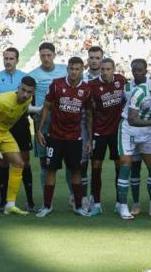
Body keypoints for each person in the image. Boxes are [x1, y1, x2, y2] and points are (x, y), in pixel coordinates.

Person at [35, 57, 93, 218]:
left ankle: (79, 206)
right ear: (67, 69)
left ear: (82, 70)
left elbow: (89, 115)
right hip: (55, 136)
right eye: (71, 68)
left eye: (77, 69)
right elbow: (46, 107)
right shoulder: (56, 84)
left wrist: (88, 138)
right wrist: (39, 130)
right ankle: (47, 206)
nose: (74, 72)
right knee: (50, 170)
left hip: (75, 137)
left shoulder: (86, 90)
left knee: (76, 171)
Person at [116, 62, 151, 220]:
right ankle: (123, 206)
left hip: (146, 132)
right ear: (150, 76)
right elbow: (132, 119)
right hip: (128, 130)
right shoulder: (140, 91)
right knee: (126, 167)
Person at [0, 77, 37, 219]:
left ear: (33, 93)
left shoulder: (27, 100)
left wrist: (37, 109)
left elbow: (24, 109)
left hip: (3, 131)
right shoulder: (1, 100)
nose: (25, 94)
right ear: (18, 87)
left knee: (19, 163)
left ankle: (10, 206)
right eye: (23, 90)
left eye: (29, 92)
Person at [0, 47, 34, 212]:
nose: (8, 61)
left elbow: (29, 100)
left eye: (11, 58)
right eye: (5, 58)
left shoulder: (25, 78)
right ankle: (3, 202)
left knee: (25, 161)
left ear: (17, 60)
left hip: (20, 123)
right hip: (2, 125)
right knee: (4, 162)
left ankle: (30, 201)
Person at [28, 43, 69, 203]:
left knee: (69, 160)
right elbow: (28, 99)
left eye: (48, 55)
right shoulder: (33, 74)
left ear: (54, 55)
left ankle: (74, 198)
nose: (46, 58)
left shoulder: (64, 70)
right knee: (45, 161)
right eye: (42, 55)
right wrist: (35, 113)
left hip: (64, 119)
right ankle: (47, 201)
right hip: (42, 121)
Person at [87, 58, 126, 216]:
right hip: (99, 132)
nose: (105, 72)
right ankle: (96, 203)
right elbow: (89, 113)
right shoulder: (92, 85)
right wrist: (90, 138)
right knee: (96, 166)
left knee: (119, 166)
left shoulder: (121, 80)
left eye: (108, 69)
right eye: (102, 69)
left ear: (113, 69)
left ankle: (119, 202)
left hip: (117, 131)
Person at [123, 59, 149, 216]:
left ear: (146, 70)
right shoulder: (127, 87)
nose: (136, 72)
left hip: (150, 132)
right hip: (132, 131)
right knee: (135, 169)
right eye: (134, 70)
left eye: (140, 69)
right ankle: (136, 203)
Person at [80, 46, 103, 208]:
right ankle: (81, 197)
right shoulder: (82, 78)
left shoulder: (107, 77)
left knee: (97, 162)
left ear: (102, 59)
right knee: (82, 161)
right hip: (82, 122)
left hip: (102, 125)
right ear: (88, 59)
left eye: (97, 58)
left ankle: (95, 198)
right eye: (91, 58)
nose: (94, 61)